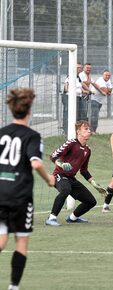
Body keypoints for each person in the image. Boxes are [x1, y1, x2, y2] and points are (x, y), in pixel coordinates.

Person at [0, 88, 55, 290]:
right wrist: (49, 178)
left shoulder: (1, 133)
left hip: (0, 191)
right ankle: (14, 287)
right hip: (20, 195)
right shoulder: (32, 136)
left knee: (1, 239)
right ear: (29, 111)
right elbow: (36, 163)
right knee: (21, 241)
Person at [45, 121, 107, 226]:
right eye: (86, 129)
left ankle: (72, 218)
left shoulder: (88, 150)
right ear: (78, 131)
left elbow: (84, 170)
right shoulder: (71, 143)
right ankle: (51, 218)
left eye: (89, 129)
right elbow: (53, 156)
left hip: (71, 179)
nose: (89, 131)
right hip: (59, 175)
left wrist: (95, 184)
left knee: (91, 201)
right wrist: (61, 164)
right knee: (66, 190)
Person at [62, 62, 83, 134]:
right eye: (78, 67)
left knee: (77, 115)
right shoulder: (70, 76)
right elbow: (66, 88)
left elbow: (82, 86)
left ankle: (75, 130)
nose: (79, 69)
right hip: (70, 99)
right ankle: (66, 130)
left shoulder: (79, 77)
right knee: (69, 114)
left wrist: (88, 91)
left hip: (78, 98)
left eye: (80, 67)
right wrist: (74, 93)